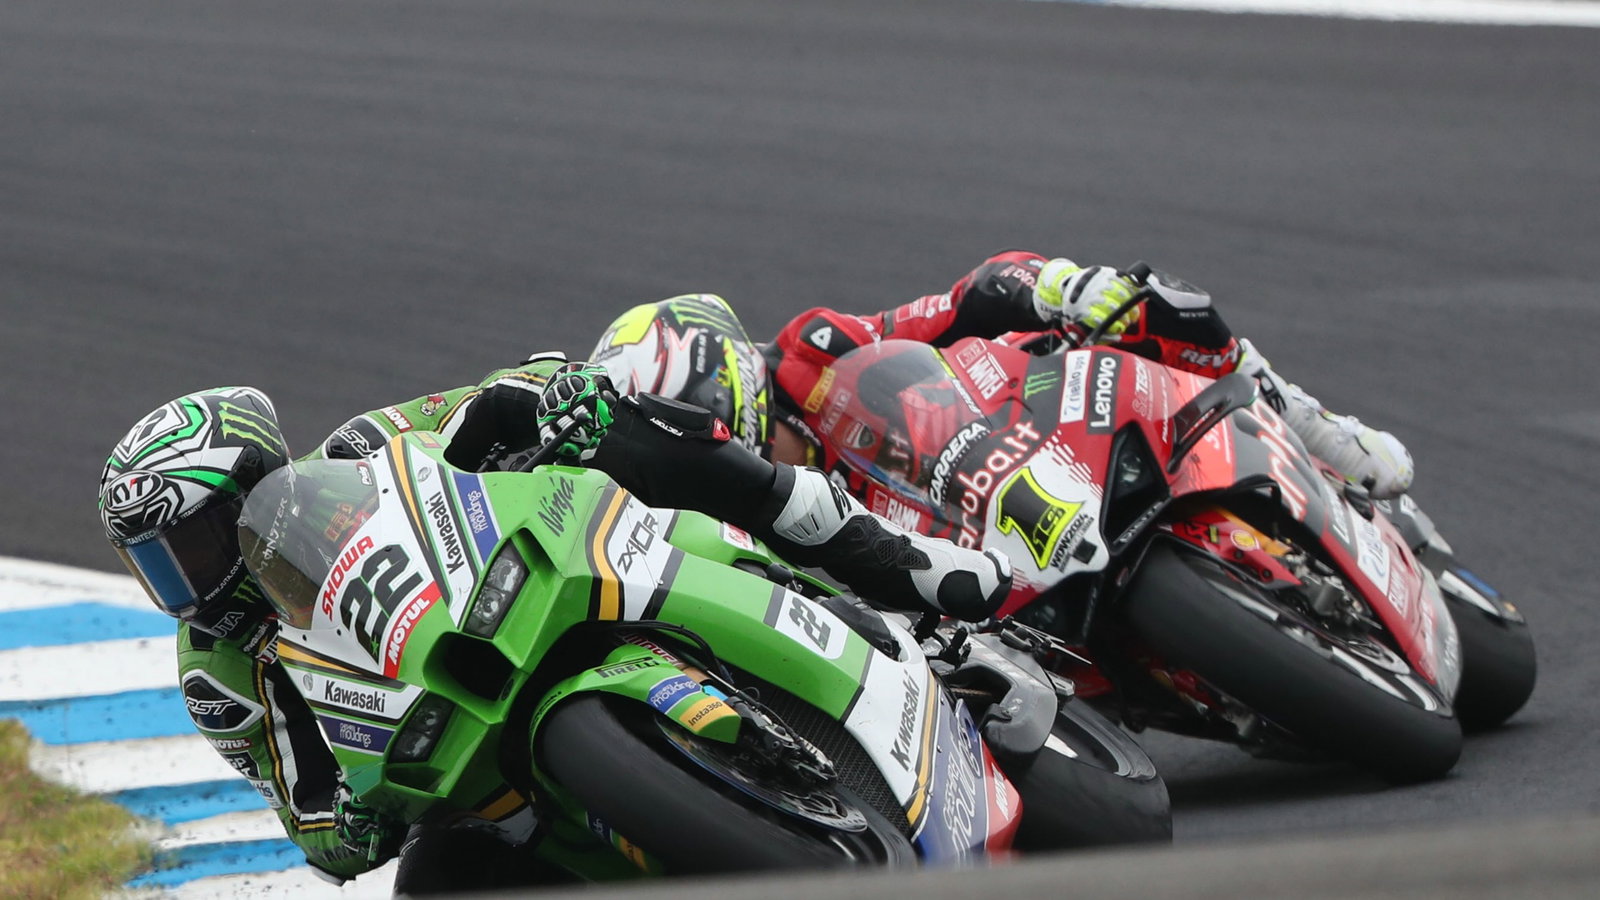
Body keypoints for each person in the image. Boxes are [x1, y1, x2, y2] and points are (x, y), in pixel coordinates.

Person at [96, 358, 1011, 889]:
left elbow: (480, 404)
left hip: (522, 592)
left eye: (198, 541)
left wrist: (550, 397)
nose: (190, 579)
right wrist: (347, 822)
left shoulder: (359, 454)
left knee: (650, 442)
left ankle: (891, 562)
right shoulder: (215, 670)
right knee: (429, 885)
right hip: (445, 756)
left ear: (258, 480)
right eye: (159, 565)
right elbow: (298, 804)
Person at [588, 250, 1415, 500]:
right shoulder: (739, 511)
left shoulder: (816, 349)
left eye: (740, 432)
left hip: (1018, 435)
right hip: (973, 582)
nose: (743, 455)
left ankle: (1305, 422)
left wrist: (1052, 288)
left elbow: (953, 304)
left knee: (1141, 308)